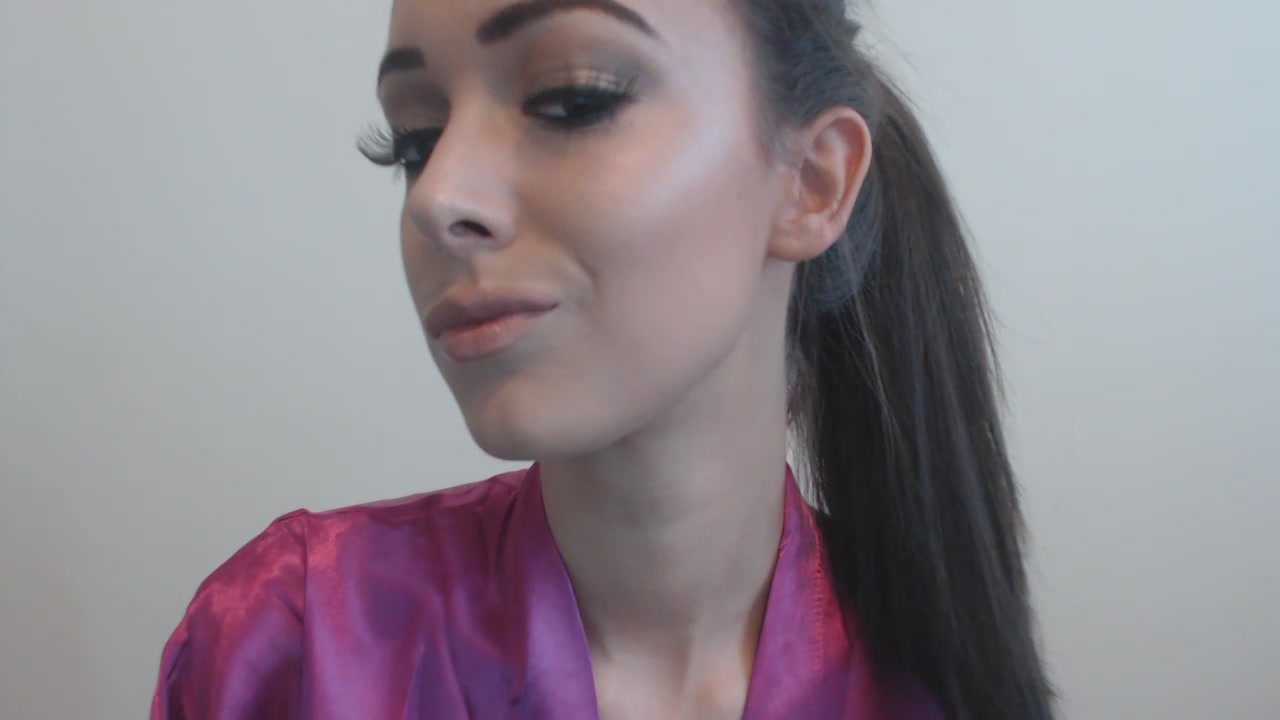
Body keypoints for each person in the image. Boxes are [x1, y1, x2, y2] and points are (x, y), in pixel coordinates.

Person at [151, 0, 1055, 717]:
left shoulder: (931, 683)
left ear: (811, 183)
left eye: (572, 99)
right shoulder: (295, 649)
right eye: (416, 141)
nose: (438, 197)